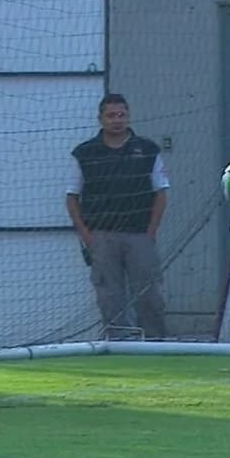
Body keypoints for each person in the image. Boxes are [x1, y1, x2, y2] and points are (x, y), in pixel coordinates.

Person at [67, 93, 170, 340]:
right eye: (111, 115)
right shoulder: (84, 153)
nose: (117, 120)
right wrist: (87, 236)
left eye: (122, 115)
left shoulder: (147, 150)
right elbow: (72, 197)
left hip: (140, 235)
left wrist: (151, 232)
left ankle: (156, 342)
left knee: (149, 293)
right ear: (100, 119)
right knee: (109, 295)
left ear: (129, 116)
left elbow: (161, 192)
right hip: (102, 237)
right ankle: (118, 343)